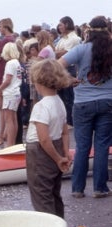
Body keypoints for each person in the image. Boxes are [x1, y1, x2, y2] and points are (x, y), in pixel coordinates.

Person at [58, 15, 112, 199]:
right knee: (102, 145)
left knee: (82, 146)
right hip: (108, 102)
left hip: (82, 103)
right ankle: (100, 188)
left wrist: (68, 79)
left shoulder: (80, 49)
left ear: (88, 31)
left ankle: (78, 189)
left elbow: (57, 66)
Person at [25, 59, 72, 222]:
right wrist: (65, 153)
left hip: (40, 153)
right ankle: (59, 226)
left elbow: (43, 139)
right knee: (54, 192)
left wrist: (59, 159)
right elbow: (65, 131)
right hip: (57, 146)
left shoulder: (41, 106)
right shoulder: (59, 102)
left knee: (41, 195)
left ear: (38, 82)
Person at [0, 18, 16, 146]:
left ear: (5, 27)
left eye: (0, 27)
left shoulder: (5, 40)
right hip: (7, 76)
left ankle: (1, 135)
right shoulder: (14, 39)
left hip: (1, 75)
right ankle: (5, 134)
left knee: (2, 108)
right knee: (9, 111)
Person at [55, 16, 81, 127]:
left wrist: (57, 52)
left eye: (61, 24)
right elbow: (57, 52)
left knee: (68, 97)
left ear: (66, 24)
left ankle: (70, 121)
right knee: (61, 96)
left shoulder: (74, 38)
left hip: (69, 68)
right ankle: (64, 120)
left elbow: (65, 53)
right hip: (61, 67)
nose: (59, 27)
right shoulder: (63, 39)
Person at [0, 42, 21, 147]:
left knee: (9, 119)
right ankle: (12, 142)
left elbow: (8, 80)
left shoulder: (10, 63)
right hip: (16, 92)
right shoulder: (17, 63)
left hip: (10, 93)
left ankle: (10, 144)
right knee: (13, 119)